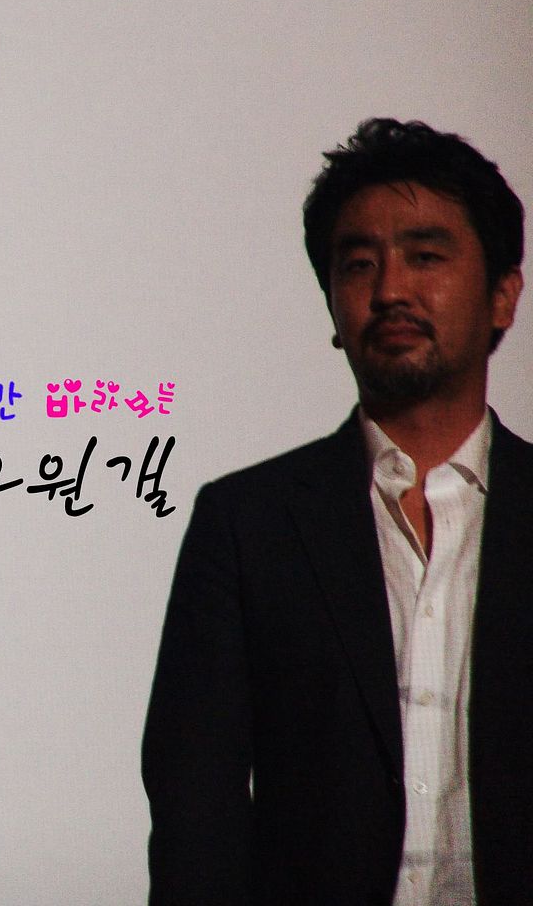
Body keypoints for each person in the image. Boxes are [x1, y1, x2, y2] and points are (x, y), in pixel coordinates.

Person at [142, 118, 532, 906]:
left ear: (503, 296)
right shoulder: (246, 524)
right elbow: (195, 810)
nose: (390, 291)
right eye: (358, 264)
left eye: (425, 256)